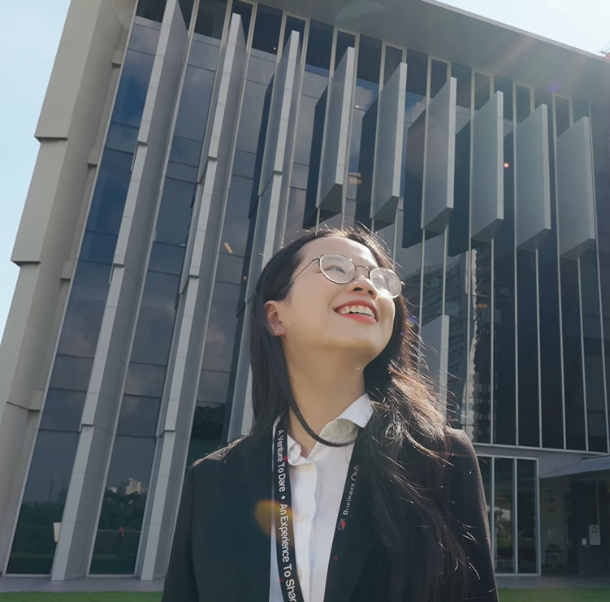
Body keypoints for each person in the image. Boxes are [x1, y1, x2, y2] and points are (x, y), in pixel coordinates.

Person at [163, 227, 497, 602]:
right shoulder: (210, 480)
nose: (366, 285)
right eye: (335, 267)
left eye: (379, 279)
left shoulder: (441, 456)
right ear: (275, 317)